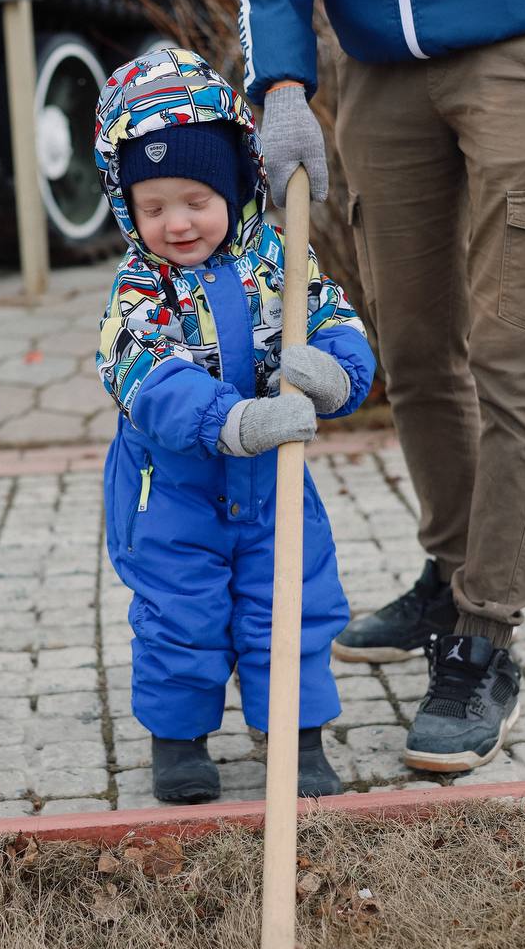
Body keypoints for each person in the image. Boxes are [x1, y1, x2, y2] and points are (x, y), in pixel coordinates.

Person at [232, 0, 525, 773]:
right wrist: (280, 82)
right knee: (409, 347)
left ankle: (484, 636)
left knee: (514, 347)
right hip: (381, 64)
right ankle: (452, 573)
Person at [94, 48, 376, 804]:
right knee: (179, 615)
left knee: (289, 601)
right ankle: (179, 741)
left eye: (194, 199)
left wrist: (338, 371)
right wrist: (235, 420)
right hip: (172, 494)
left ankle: (295, 733)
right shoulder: (137, 289)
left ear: (233, 184)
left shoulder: (278, 259)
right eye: (151, 208)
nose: (176, 223)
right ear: (127, 208)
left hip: (273, 485)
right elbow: (143, 378)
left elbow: (332, 319)